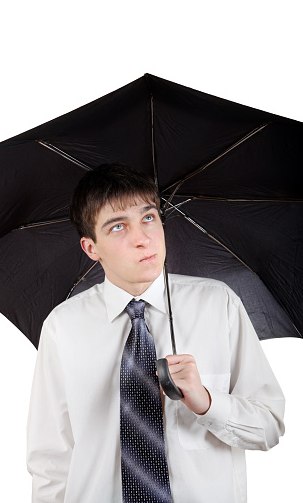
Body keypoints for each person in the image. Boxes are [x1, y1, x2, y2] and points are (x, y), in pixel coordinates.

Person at [26, 163, 285, 503]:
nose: (142, 238)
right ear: (91, 248)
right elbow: (50, 460)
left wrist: (206, 402)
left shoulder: (217, 304)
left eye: (148, 217)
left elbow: (269, 426)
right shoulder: (63, 327)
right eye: (118, 227)